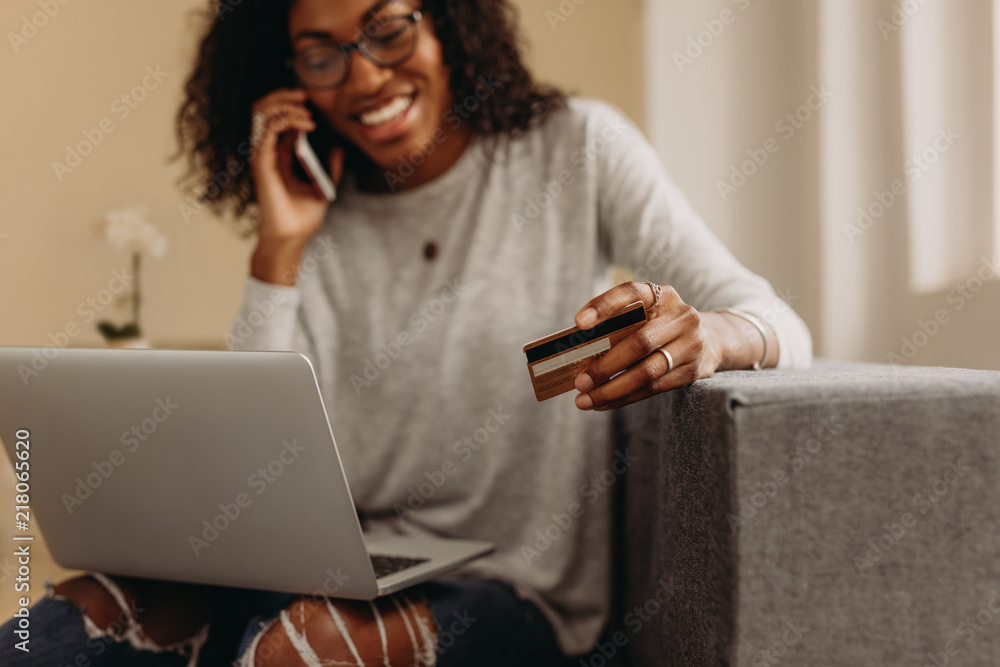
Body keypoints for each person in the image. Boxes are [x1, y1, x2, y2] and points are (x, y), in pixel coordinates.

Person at [0, 0, 812, 664]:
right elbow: (247, 476)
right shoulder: (316, 214)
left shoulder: (576, 148)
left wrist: (710, 335)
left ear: (448, 21)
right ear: (288, 75)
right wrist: (279, 248)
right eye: (321, 54)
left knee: (297, 652)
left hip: (513, 590)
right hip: (336, 572)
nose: (363, 77)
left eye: (388, 29)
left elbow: (781, 324)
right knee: (51, 635)